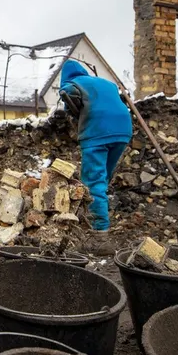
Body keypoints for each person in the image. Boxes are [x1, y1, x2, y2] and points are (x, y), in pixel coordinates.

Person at [59, 61, 132, 236]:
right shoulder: (106, 83)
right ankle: (94, 214)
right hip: (123, 130)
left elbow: (67, 93)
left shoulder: (74, 82)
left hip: (97, 132)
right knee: (102, 178)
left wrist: (69, 108)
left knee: (93, 182)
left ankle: (99, 234)